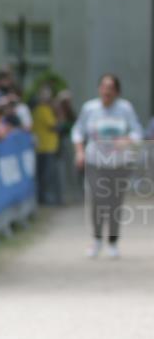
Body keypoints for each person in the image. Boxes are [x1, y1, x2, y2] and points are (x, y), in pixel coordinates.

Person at [71, 74, 143, 259]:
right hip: (95, 162)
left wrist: (127, 140)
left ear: (117, 91)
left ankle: (112, 241)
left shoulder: (125, 108)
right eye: (104, 86)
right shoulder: (90, 108)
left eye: (110, 87)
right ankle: (96, 239)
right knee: (96, 199)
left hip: (119, 163)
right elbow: (78, 131)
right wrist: (79, 151)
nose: (107, 91)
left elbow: (137, 131)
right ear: (99, 89)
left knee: (114, 203)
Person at [32, 84, 61, 205]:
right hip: (47, 146)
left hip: (41, 146)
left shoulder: (37, 109)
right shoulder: (44, 109)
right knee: (47, 176)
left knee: (42, 175)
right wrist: (59, 112)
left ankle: (43, 198)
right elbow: (54, 125)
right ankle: (45, 199)